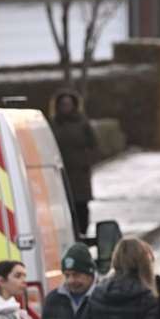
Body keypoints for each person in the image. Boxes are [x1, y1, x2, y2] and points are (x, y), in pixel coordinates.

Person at [50, 90, 100, 236]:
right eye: (63, 104)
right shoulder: (54, 124)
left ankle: (82, 232)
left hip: (79, 173)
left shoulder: (82, 123)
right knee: (63, 205)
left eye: (69, 104)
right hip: (60, 172)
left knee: (80, 205)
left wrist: (86, 162)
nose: (66, 107)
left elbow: (94, 145)